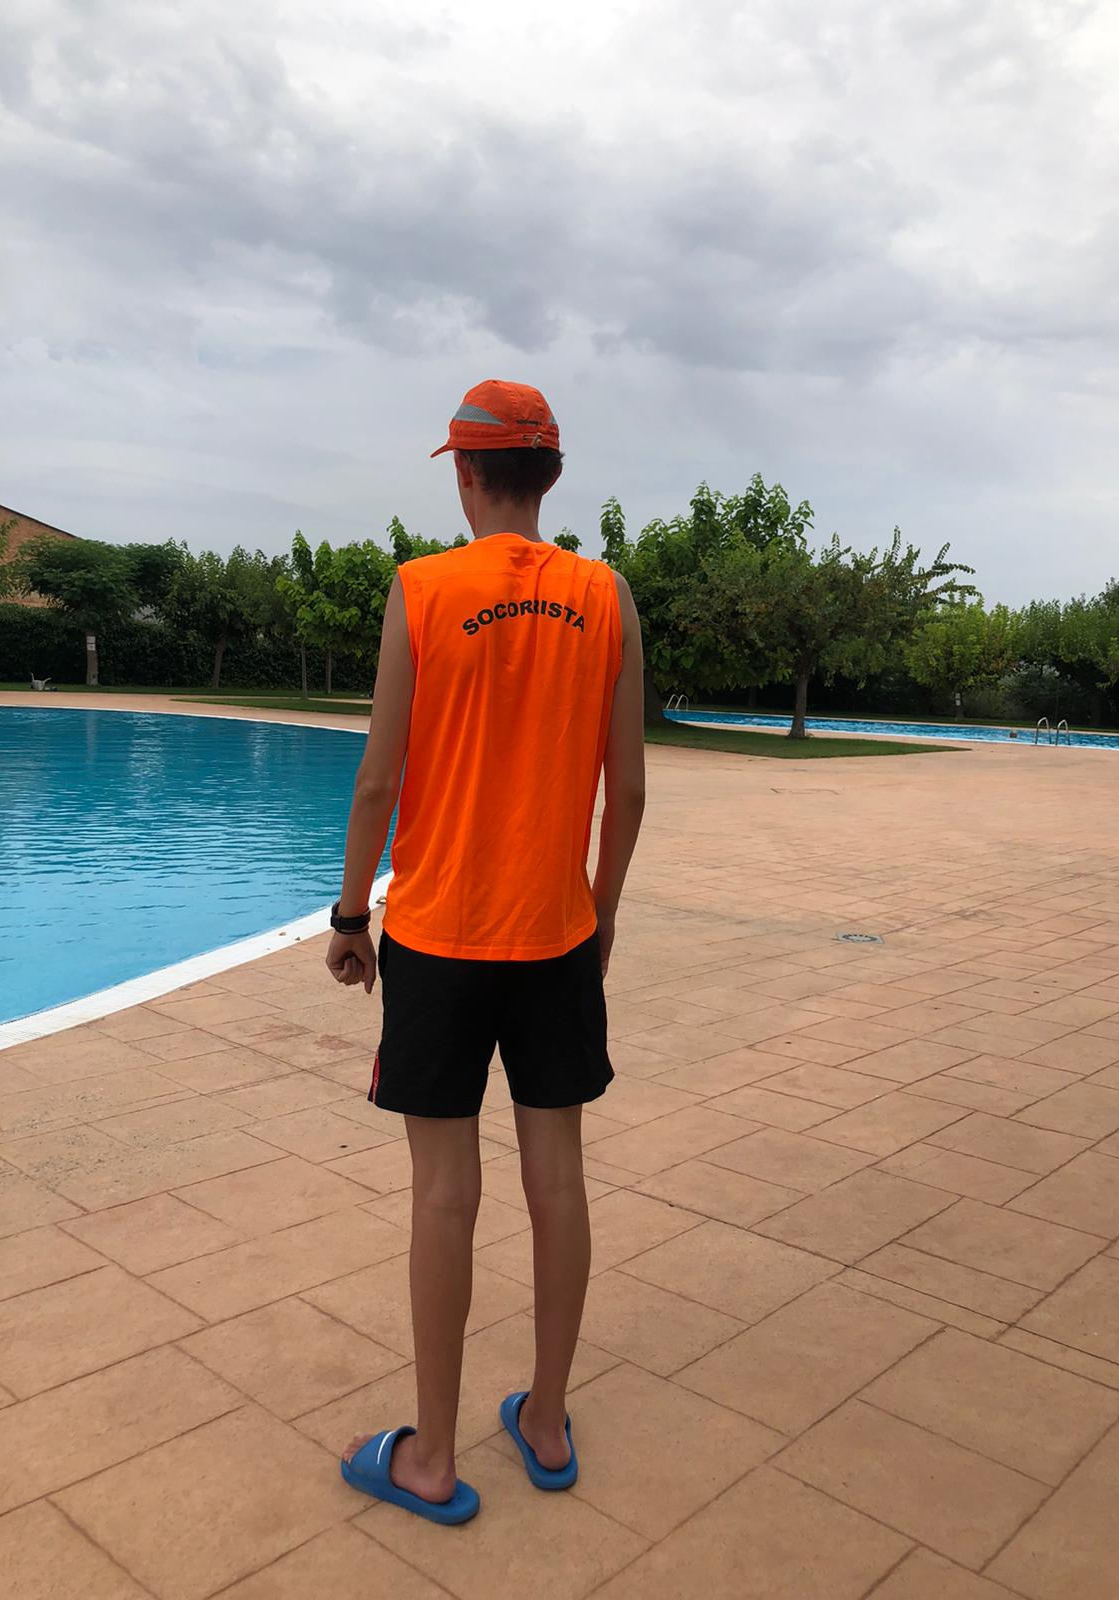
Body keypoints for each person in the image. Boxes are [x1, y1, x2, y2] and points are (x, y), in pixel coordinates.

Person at [327, 379, 646, 1524]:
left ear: (464, 473)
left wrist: (351, 916)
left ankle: (431, 1459)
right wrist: (600, 917)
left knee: (443, 1194)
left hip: (440, 937)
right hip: (556, 936)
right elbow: (628, 789)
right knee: (557, 1181)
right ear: (548, 476)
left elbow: (379, 778)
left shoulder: (421, 590)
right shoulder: (607, 596)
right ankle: (546, 1420)